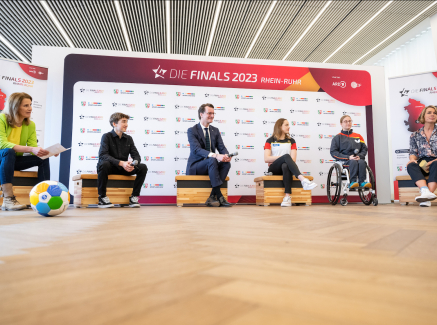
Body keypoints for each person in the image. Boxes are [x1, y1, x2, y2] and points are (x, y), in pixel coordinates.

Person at [0, 92, 51, 210]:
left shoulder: (30, 125)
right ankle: (8, 199)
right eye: (26, 105)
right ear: (15, 107)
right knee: (8, 151)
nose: (30, 108)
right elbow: (2, 144)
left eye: (30, 105)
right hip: (3, 156)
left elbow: (33, 147)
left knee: (43, 158)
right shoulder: (1, 118)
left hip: (13, 159)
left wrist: (47, 152)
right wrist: (32, 149)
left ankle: (44, 196)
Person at [97, 112, 148, 208]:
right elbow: (103, 155)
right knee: (104, 164)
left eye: (127, 122)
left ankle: (134, 197)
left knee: (142, 167)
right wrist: (121, 163)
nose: (126, 124)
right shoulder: (106, 136)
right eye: (123, 121)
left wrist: (132, 164)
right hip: (111, 167)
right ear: (114, 124)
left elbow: (137, 156)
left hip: (124, 168)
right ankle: (102, 197)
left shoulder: (129, 138)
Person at [186, 103, 233, 207]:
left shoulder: (215, 130)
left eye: (213, 113)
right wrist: (216, 155)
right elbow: (196, 150)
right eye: (209, 113)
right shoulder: (192, 130)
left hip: (211, 165)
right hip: (196, 166)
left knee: (226, 164)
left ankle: (212, 196)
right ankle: (219, 195)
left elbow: (221, 147)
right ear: (201, 114)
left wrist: (226, 155)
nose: (212, 115)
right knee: (212, 159)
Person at [264, 118, 317, 207]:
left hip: (286, 167)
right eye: (286, 125)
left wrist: (273, 159)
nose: (289, 127)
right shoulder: (269, 140)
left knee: (285, 165)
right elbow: (266, 159)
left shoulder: (291, 141)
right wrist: (282, 157)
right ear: (280, 127)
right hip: (274, 168)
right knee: (286, 157)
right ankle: (303, 180)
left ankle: (287, 197)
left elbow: (293, 160)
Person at [406, 105, 437, 207]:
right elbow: (413, 153)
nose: (432, 114)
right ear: (423, 116)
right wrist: (412, 160)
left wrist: (433, 161)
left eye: (435, 113)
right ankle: (425, 191)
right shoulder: (415, 135)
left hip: (436, 161)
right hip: (423, 162)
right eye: (429, 112)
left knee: (436, 164)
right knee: (410, 165)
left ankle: (426, 197)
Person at [330, 115, 370, 189]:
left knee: (362, 162)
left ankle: (362, 182)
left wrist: (360, 156)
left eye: (349, 121)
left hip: (358, 159)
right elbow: (333, 152)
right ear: (341, 124)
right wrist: (348, 157)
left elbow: (364, 149)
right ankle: (353, 182)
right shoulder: (337, 137)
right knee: (353, 162)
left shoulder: (358, 136)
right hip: (345, 161)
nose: (348, 123)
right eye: (345, 121)